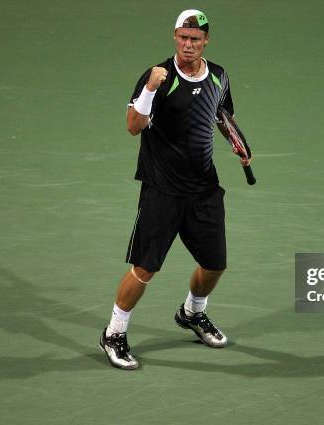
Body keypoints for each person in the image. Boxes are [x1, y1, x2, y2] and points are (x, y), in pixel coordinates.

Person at [99, 9, 250, 370]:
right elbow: (134, 126)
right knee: (144, 269)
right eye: (183, 37)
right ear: (175, 37)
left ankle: (191, 313)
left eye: (195, 39)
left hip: (203, 188)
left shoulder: (219, 76)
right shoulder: (159, 77)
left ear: (206, 41)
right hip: (162, 189)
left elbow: (221, 114)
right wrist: (150, 88)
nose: (188, 44)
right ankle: (113, 333)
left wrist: (237, 141)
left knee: (214, 264)